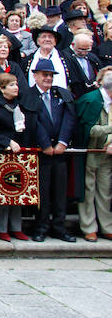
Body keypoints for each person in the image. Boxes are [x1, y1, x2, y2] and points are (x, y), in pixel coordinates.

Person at [21, 58, 76, 242]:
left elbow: (69, 118)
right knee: (42, 193)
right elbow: (33, 122)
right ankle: (41, 227)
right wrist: (45, 144)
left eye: (51, 75)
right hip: (40, 153)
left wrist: (62, 142)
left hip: (60, 152)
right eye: (45, 75)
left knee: (60, 192)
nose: (48, 78)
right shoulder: (28, 95)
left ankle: (59, 227)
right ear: (35, 76)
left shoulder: (60, 94)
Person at [0, 73, 36, 242]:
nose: (16, 87)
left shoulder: (19, 105)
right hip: (2, 154)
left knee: (19, 192)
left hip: (20, 155)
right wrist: (6, 141)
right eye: (12, 85)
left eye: (16, 84)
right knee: (4, 192)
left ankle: (16, 227)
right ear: (2, 88)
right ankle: (1, 228)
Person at [74, 70, 112, 242]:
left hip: (108, 154)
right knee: (88, 190)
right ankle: (89, 227)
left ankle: (107, 226)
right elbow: (90, 131)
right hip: (91, 152)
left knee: (105, 191)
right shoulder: (91, 100)